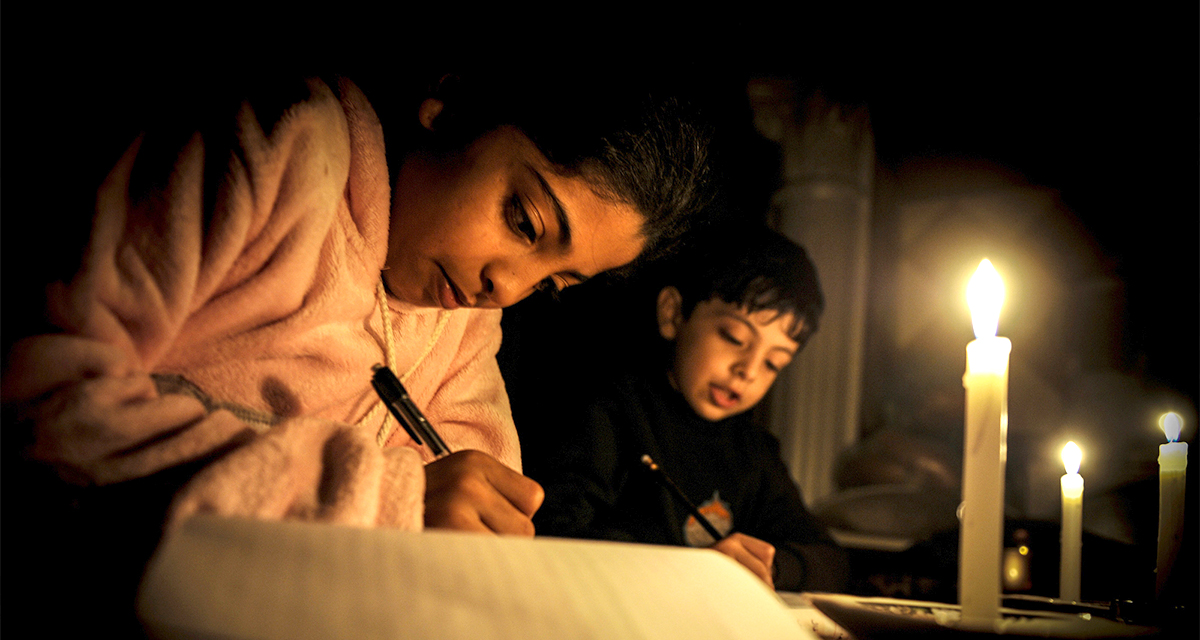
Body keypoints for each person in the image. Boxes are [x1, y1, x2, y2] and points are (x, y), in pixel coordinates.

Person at [1, 65, 716, 541]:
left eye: (554, 283)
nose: (509, 287)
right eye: (524, 222)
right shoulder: (279, 150)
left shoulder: (465, 326)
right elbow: (41, 397)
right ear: (453, 107)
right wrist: (390, 499)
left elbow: (475, 505)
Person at [533, 227, 848, 592]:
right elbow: (555, 527)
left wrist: (769, 567)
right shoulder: (610, 410)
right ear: (673, 313)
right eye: (734, 338)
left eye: (773, 363)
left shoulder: (754, 453)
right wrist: (690, 568)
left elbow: (832, 561)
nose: (748, 370)